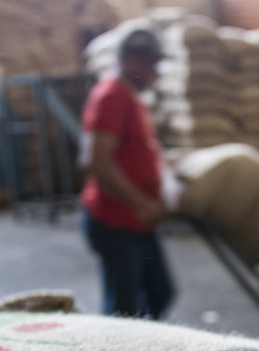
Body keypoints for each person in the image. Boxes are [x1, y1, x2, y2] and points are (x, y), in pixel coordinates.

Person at [79, 28, 174, 319]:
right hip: (116, 221)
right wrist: (142, 203)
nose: (156, 73)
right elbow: (96, 162)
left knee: (160, 292)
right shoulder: (112, 96)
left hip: (136, 222)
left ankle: (142, 350)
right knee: (123, 309)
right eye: (153, 65)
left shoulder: (129, 97)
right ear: (133, 60)